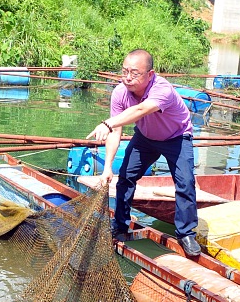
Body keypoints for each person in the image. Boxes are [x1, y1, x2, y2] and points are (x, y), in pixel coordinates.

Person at [86, 49, 202, 257]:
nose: (128, 78)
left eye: (135, 73)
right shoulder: (120, 92)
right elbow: (116, 131)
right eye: (124, 72)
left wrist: (107, 122)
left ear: (150, 74)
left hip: (176, 137)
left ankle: (186, 233)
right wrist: (106, 168)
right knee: (125, 177)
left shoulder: (162, 89)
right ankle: (121, 224)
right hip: (145, 138)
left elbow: (140, 111)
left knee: (185, 183)